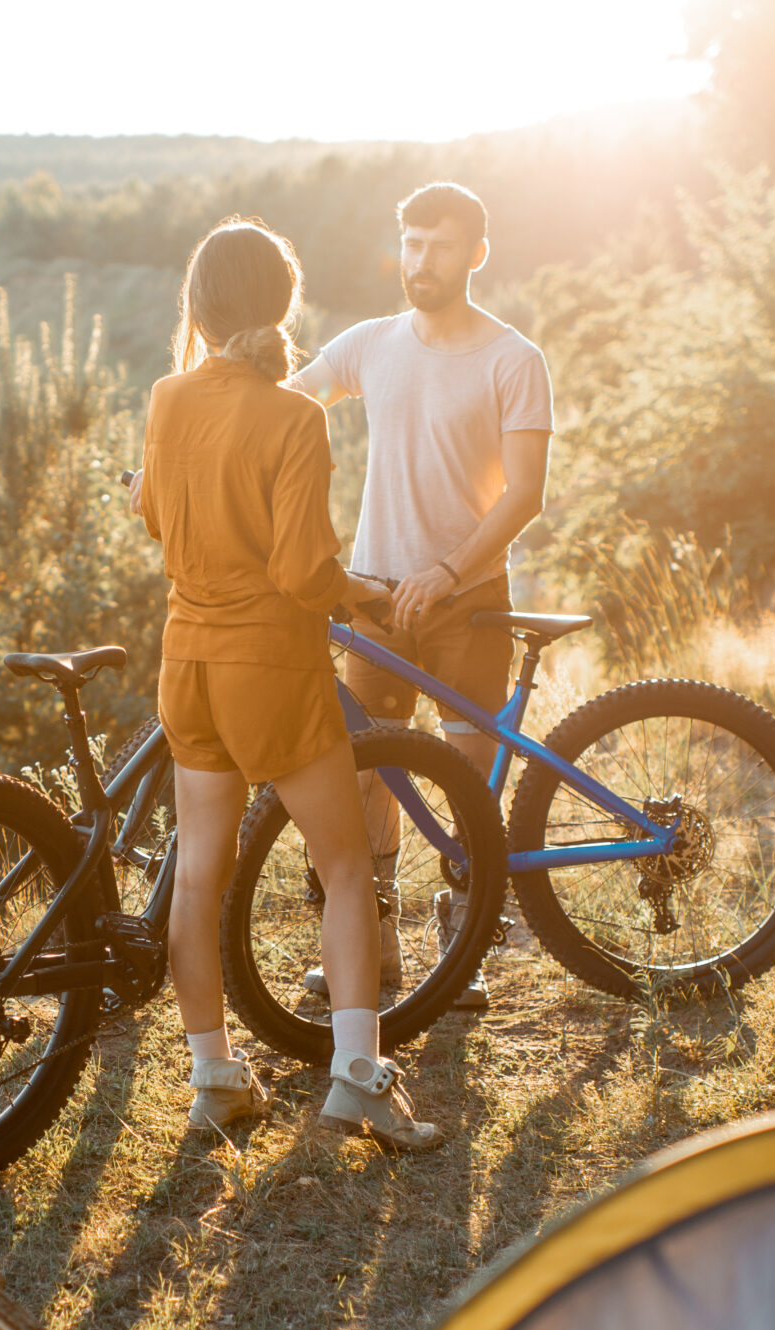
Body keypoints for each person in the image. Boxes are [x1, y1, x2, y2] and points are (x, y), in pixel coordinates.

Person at [134, 218, 438, 1153]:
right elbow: (307, 572)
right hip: (273, 666)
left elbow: (152, 513)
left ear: (197, 305)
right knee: (345, 868)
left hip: (187, 664)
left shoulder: (167, 397)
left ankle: (215, 1078)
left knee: (197, 874)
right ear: (283, 307)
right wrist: (369, 596)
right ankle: (357, 1079)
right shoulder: (294, 415)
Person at [291, 181, 555, 1011]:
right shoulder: (372, 344)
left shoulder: (515, 358)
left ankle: (464, 942)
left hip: (467, 600)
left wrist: (446, 572)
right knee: (365, 774)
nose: (420, 261)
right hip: (373, 598)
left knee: (466, 782)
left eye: (439, 245)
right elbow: (283, 403)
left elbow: (524, 494)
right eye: (409, 242)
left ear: (476, 254)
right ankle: (375, 949)